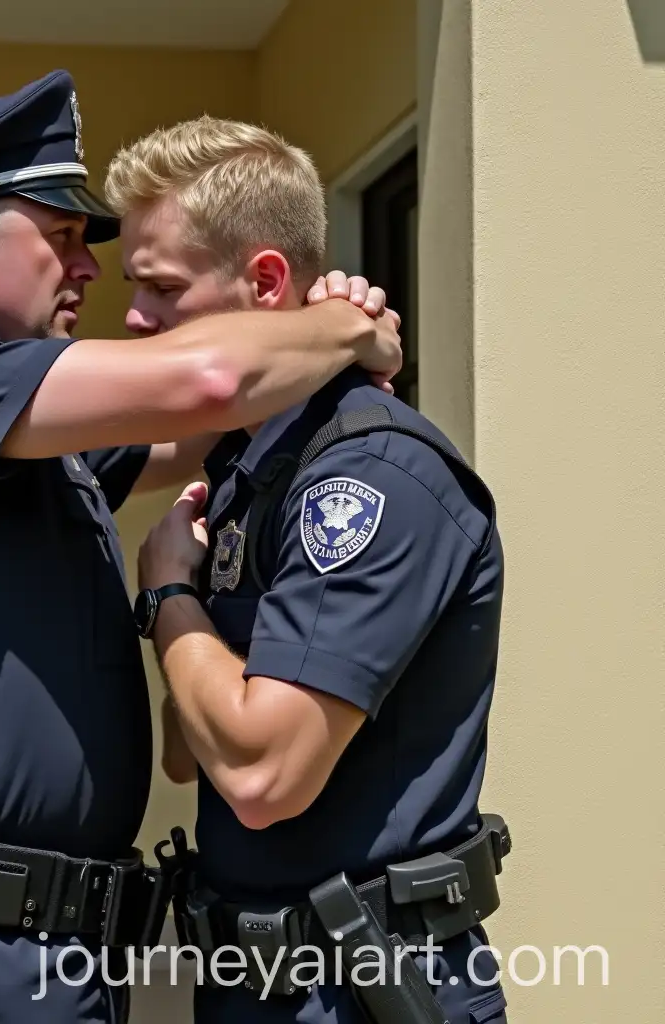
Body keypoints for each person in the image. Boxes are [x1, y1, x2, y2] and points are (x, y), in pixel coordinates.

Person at [0, 72, 401, 1024]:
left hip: (50, 953)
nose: (90, 270)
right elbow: (206, 385)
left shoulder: (16, 420)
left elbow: (202, 422)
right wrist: (345, 324)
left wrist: (303, 335)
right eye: (64, 237)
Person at [105, 117, 512, 1024]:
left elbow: (261, 777)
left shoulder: (365, 474)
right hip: (257, 982)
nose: (135, 315)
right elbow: (190, 751)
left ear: (265, 282)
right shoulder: (250, 469)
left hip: (366, 989)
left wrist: (168, 595)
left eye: (162, 287)